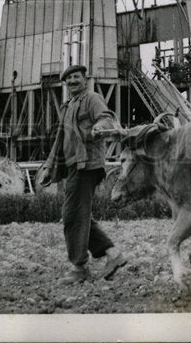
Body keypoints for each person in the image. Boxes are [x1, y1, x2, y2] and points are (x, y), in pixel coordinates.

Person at [38, 63, 127, 284]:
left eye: (76, 77)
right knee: (80, 214)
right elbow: (60, 139)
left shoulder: (92, 98)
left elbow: (106, 117)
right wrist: (49, 167)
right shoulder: (68, 105)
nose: (72, 82)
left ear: (84, 79)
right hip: (72, 166)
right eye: (68, 79)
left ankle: (79, 267)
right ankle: (113, 254)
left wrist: (99, 127)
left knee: (71, 216)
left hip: (87, 164)